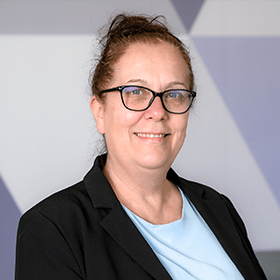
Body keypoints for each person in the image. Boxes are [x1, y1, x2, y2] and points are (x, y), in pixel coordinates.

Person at [15, 14, 267, 280]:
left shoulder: (218, 207)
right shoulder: (54, 228)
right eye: (135, 92)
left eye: (174, 94)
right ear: (100, 112)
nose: (157, 112)